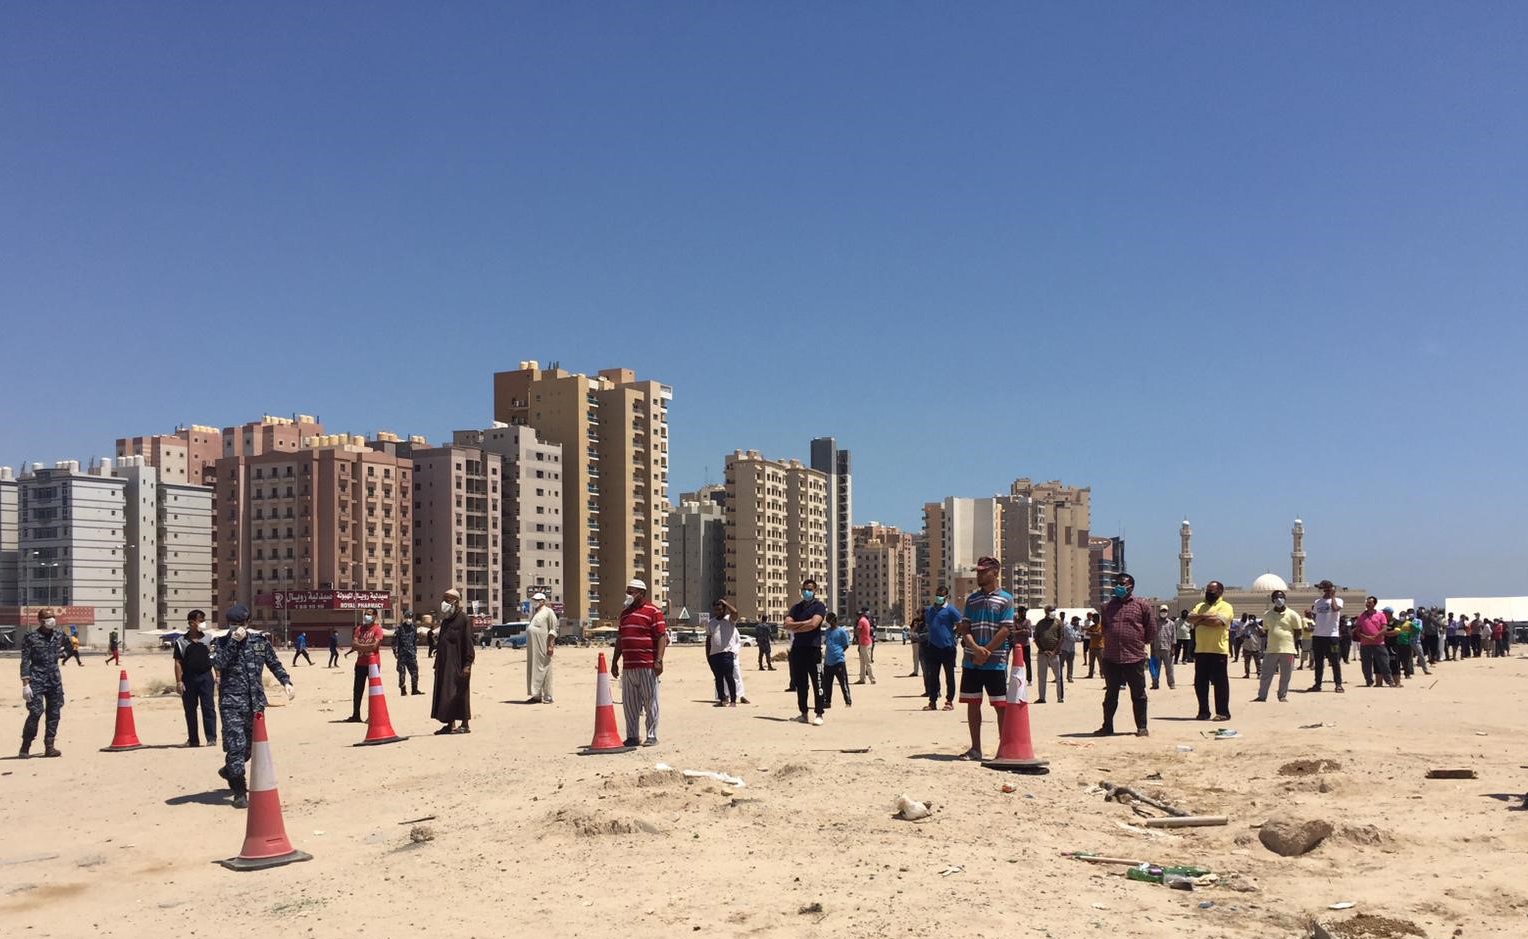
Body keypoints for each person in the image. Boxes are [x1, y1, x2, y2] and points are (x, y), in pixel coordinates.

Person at [211, 604, 294, 808]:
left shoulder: (259, 641)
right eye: (232, 624)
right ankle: (240, 792)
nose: (236, 628)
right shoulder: (219, 642)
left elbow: (273, 663)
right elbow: (218, 664)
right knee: (236, 745)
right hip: (231, 702)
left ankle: (230, 770)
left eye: (240, 624)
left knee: (251, 748)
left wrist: (286, 681)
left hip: (255, 703)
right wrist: (232, 642)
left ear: (248, 623)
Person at [957, 556, 1012, 761]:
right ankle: (975, 748)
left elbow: (1005, 629)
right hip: (971, 661)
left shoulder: (1005, 599)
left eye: (983, 571)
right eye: (978, 571)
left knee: (1000, 706)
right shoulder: (972, 599)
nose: (979, 574)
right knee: (973, 704)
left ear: (995, 573)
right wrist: (974, 649)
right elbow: (965, 627)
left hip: (995, 662)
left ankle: (1004, 748)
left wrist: (985, 651)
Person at [1094, 573, 1154, 737]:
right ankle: (1107, 727)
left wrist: (1139, 643)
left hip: (1134, 657)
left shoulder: (1142, 605)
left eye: (1122, 584)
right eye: (1117, 583)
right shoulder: (1107, 606)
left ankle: (1141, 727)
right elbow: (1105, 627)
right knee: (1110, 695)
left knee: (1138, 694)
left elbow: (1150, 629)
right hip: (1111, 657)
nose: (1119, 586)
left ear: (1131, 586)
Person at [611, 578, 666, 745]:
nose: (628, 594)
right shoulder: (625, 613)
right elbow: (620, 639)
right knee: (630, 704)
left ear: (641, 593)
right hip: (629, 667)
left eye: (631, 591)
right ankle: (633, 736)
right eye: (627, 591)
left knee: (651, 702)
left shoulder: (653, 611)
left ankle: (651, 735)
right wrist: (615, 662)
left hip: (647, 665)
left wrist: (659, 661)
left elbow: (661, 637)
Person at [19, 608, 66, 758]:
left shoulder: (59, 635)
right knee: (36, 712)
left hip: (54, 680)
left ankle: (50, 747)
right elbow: (25, 660)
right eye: (48, 618)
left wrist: (63, 653)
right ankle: (25, 747)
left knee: (54, 712)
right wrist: (25, 683)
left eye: (53, 617)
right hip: (36, 679)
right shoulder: (31, 637)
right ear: (40, 621)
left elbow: (69, 647)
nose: (51, 620)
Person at [782, 578, 827, 725]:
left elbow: (814, 624)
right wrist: (804, 623)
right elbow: (786, 624)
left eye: (810, 589)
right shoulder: (796, 608)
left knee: (818, 682)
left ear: (815, 591)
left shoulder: (819, 606)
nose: (806, 592)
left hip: (813, 649)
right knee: (800, 683)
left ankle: (819, 713)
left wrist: (797, 626)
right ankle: (803, 713)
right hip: (798, 649)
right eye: (804, 589)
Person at [1188, 580, 1233, 721]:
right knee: (1200, 683)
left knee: (1220, 683)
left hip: (1218, 650)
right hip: (1201, 650)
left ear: (1220, 592)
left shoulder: (1226, 606)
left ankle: (1223, 712)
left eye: (1211, 591)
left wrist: (1199, 620)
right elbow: (1189, 619)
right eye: (1207, 590)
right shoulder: (1200, 605)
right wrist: (1206, 617)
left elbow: (1218, 623)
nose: (1208, 593)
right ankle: (1203, 711)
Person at [431, 589, 475, 734]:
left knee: (460, 693)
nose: (445, 602)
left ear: (456, 601)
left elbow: (468, 642)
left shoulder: (463, 619)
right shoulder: (446, 621)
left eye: (448, 599)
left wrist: (468, 664)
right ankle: (450, 724)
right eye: (444, 599)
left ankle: (465, 724)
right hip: (444, 664)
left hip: (458, 664)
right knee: (445, 693)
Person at [173, 610, 217, 747]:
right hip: (188, 678)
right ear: (192, 623)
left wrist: (219, 676)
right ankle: (193, 740)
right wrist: (179, 681)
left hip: (206, 677)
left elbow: (214, 658)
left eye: (204, 620)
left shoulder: (209, 638)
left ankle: (211, 738)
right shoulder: (181, 641)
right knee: (190, 710)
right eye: (200, 620)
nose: (203, 623)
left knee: (208, 708)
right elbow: (177, 662)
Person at [1254, 590, 1301, 702]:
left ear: (1285, 599)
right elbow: (1265, 630)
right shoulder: (1268, 615)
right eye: (1276, 598)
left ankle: (1282, 695)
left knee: (1285, 674)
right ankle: (1262, 695)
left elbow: (1298, 631)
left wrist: (1290, 642)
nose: (1279, 600)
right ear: (1272, 600)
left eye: (1281, 597)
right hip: (1271, 649)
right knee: (1266, 674)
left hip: (1288, 649)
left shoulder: (1293, 615)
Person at [922, 586, 959, 711]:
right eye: (937, 594)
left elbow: (960, 625)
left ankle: (949, 701)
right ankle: (932, 701)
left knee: (949, 676)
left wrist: (953, 635)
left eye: (941, 595)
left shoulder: (951, 610)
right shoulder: (929, 611)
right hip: (933, 647)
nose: (938, 597)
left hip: (948, 648)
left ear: (946, 596)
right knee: (933, 676)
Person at [1306, 580, 1346, 693]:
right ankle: (1317, 684)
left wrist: (1332, 596)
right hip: (1318, 636)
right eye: (1322, 589)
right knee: (1318, 661)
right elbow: (1317, 617)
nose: (1324, 591)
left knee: (1334, 661)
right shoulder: (1318, 602)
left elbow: (1335, 609)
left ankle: (1338, 684)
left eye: (1326, 589)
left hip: (1332, 636)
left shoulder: (1338, 600)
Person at [344, 608, 383, 723]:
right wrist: (366, 647)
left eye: (369, 614)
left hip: (373, 664)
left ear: (375, 616)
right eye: (365, 614)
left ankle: (372, 715)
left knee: (373, 692)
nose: (366, 616)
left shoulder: (377, 630)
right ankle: (356, 715)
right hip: (360, 664)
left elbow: (374, 646)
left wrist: (360, 646)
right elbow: (353, 644)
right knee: (357, 690)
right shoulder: (359, 629)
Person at [705, 599, 740, 707]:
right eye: (716, 609)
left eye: (720, 609)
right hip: (714, 655)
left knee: (729, 677)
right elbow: (708, 639)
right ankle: (722, 698)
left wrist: (726, 603)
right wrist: (708, 655)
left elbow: (735, 613)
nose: (718, 611)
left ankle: (733, 700)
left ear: (724, 609)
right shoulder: (711, 622)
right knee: (718, 678)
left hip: (727, 653)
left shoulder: (729, 620)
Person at [1353, 597, 1394, 688]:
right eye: (1367, 603)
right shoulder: (1361, 616)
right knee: (1366, 664)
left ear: (1374, 604)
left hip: (1379, 643)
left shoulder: (1381, 615)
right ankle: (1369, 681)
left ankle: (1389, 681)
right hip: (1365, 643)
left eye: (1370, 603)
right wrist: (1365, 637)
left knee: (1384, 662)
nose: (1367, 604)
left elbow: (1384, 628)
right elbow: (1358, 630)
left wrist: (1375, 636)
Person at [525, 594, 558, 704]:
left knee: (545, 669)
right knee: (533, 669)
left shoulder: (548, 612)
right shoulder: (535, 613)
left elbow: (553, 630)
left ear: (543, 601)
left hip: (543, 646)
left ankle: (547, 695)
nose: (535, 602)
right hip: (533, 648)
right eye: (533, 600)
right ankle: (536, 695)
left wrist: (550, 645)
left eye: (537, 600)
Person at [1033, 607, 1064, 704]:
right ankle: (1042, 698)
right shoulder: (1040, 623)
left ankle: (1060, 697)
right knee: (1042, 677)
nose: (1052, 612)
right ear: (1046, 612)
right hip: (1042, 654)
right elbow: (1036, 638)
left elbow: (1061, 638)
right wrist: (1042, 650)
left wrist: (1054, 651)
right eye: (1050, 611)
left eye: (1053, 610)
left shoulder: (1058, 623)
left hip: (1055, 654)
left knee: (1058, 677)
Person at [821, 612, 853, 709]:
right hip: (828, 662)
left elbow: (846, 644)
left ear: (833, 620)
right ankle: (827, 701)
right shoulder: (827, 631)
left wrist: (839, 652)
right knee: (827, 683)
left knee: (843, 682)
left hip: (838, 661)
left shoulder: (841, 631)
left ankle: (848, 701)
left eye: (828, 619)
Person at [1148, 604, 1176, 691]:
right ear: (1159, 612)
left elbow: (1173, 637)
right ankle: (1155, 684)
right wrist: (1152, 648)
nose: (1163, 612)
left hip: (1167, 649)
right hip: (1156, 649)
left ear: (1167, 612)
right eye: (1162, 611)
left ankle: (1171, 684)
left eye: (1165, 611)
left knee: (1169, 668)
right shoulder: (1155, 622)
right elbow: (1151, 636)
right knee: (1156, 669)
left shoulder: (1171, 623)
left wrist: (1173, 649)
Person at [395, 610, 422, 696]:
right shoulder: (399, 628)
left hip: (411, 654)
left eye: (410, 618)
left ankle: (414, 689)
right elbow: (395, 641)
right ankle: (403, 690)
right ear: (404, 618)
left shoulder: (414, 628)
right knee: (402, 672)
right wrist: (395, 652)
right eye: (407, 617)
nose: (408, 619)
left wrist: (415, 650)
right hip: (402, 654)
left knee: (415, 671)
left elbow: (414, 641)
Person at [854, 608, 876, 685]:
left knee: (867, 662)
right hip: (865, 643)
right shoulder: (865, 620)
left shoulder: (861, 621)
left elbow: (857, 631)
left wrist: (856, 633)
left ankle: (872, 679)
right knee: (863, 662)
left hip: (865, 643)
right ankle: (862, 679)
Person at [1241, 614, 1263, 678]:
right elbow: (1241, 636)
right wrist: (1244, 636)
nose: (1251, 620)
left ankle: (1259, 673)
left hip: (1256, 646)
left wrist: (1256, 625)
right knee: (1247, 662)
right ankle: (1247, 674)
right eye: (1250, 618)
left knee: (1258, 662)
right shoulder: (1246, 627)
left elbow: (1263, 633)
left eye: (1253, 619)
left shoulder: (1259, 627)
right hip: (1247, 647)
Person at [1061, 615, 1081, 683]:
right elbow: (1071, 637)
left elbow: (1079, 638)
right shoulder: (1067, 627)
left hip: (1072, 649)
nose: (1078, 623)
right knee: (1061, 664)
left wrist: (1076, 637)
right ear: (1074, 621)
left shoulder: (1076, 628)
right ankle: (1058, 677)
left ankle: (1069, 677)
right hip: (1065, 648)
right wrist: (1076, 637)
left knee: (1070, 664)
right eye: (1078, 621)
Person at [1084, 613, 1103, 680]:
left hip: (1099, 647)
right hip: (1092, 647)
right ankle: (1090, 674)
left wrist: (1092, 633)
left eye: (1094, 619)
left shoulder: (1101, 626)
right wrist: (1094, 633)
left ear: (1098, 619)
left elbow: (1099, 634)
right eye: (1093, 619)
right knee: (1091, 662)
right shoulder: (1092, 626)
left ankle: (1102, 674)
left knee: (1101, 662)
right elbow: (1087, 633)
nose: (1093, 620)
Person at [908, 612, 925, 677]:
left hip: (922, 641)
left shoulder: (924, 621)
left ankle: (924, 671)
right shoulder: (915, 620)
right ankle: (915, 671)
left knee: (922, 657)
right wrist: (914, 628)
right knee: (915, 657)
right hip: (915, 641)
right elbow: (911, 630)